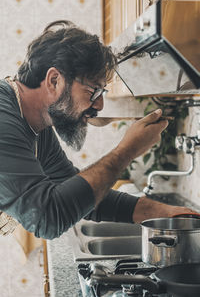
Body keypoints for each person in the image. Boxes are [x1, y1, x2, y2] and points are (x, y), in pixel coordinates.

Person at [0, 20, 195, 239]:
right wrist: (128, 150)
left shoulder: (37, 126)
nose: (100, 105)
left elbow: (83, 197)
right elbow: (48, 218)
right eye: (93, 91)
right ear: (54, 80)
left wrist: (164, 213)